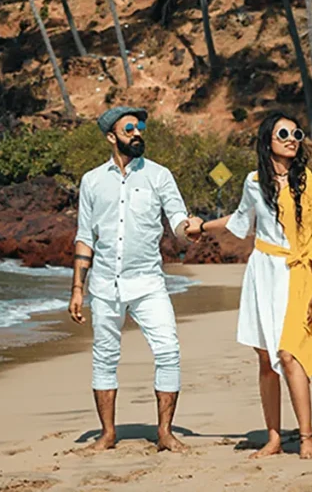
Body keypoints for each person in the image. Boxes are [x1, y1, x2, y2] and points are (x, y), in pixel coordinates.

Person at [189, 111, 312, 459]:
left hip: (298, 275)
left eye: (297, 134)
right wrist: (201, 228)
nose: (293, 140)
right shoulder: (253, 182)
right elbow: (240, 220)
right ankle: (274, 438)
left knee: (290, 355)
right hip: (262, 272)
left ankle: (306, 437)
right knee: (265, 357)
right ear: (267, 142)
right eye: (284, 134)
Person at [68, 106, 201, 453]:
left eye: (139, 127)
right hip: (104, 285)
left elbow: (177, 219)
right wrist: (77, 288)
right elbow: (85, 237)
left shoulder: (159, 175)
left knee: (168, 351)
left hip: (148, 282)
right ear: (111, 137)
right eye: (129, 129)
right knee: (104, 357)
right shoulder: (92, 181)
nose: (137, 133)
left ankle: (165, 433)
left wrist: (189, 229)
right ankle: (108, 434)